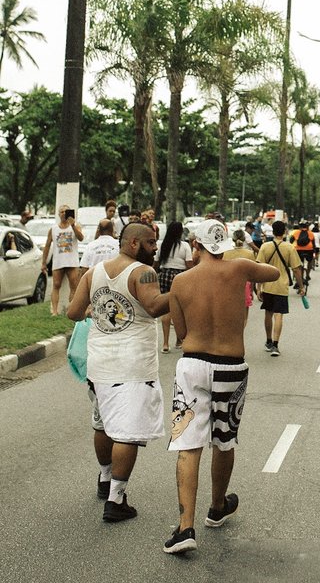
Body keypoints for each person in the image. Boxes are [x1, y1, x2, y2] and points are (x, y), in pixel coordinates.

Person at [162, 219, 279, 554]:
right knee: (224, 440)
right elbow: (270, 274)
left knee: (188, 444)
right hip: (231, 366)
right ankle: (217, 507)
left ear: (195, 245)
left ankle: (185, 527)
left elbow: (181, 331)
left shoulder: (181, 283)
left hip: (192, 365)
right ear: (225, 245)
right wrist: (244, 259)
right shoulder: (240, 267)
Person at [66, 222, 169, 523]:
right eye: (151, 242)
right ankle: (116, 500)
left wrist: (97, 310)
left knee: (102, 425)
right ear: (134, 243)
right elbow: (153, 307)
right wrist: (182, 292)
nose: (155, 247)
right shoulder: (143, 273)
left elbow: (73, 312)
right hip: (133, 365)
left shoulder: (93, 272)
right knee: (127, 433)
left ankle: (104, 478)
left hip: (99, 364)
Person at [257, 220, 304, 356]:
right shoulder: (289, 248)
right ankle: (276, 346)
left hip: (267, 285)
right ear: (284, 232)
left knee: (268, 313)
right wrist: (301, 286)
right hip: (282, 286)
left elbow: (259, 268)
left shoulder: (265, 247)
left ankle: (268, 341)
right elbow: (296, 269)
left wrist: (259, 287)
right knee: (279, 315)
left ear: (272, 231)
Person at [156, 221, 193, 352]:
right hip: (180, 277)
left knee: (166, 310)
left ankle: (165, 344)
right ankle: (179, 340)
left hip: (164, 275)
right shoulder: (184, 246)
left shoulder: (162, 245)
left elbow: (156, 262)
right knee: (180, 309)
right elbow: (189, 264)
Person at [42, 205, 84, 316]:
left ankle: (71, 310)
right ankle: (54, 311)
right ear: (58, 214)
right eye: (61, 212)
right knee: (56, 285)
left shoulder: (75, 226)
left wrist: (73, 225)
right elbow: (47, 246)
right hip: (58, 261)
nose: (63, 214)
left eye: (65, 212)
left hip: (72, 261)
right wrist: (44, 262)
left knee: (74, 286)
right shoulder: (53, 229)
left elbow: (81, 238)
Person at [225, 228, 257, 321]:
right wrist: (252, 290)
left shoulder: (226, 253)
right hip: (245, 286)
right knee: (243, 317)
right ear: (244, 239)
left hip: (228, 286)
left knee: (231, 315)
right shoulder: (250, 254)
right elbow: (253, 274)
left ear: (233, 239)